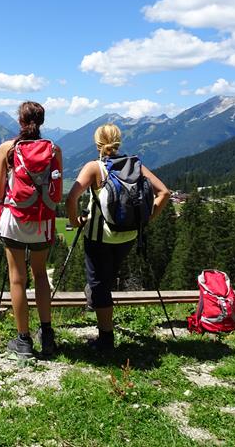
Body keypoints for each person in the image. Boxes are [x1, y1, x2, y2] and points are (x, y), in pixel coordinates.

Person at [66, 123, 170, 351]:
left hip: (99, 236)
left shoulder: (95, 168)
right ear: (119, 141)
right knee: (105, 279)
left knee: (99, 284)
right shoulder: (135, 165)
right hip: (128, 235)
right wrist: (146, 219)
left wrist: (76, 223)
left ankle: (106, 339)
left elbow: (71, 198)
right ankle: (97, 301)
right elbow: (164, 192)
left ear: (97, 144)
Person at [0, 101, 62, 359]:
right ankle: (46, 335)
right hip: (42, 222)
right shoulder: (54, 150)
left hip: (14, 219)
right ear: (41, 122)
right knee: (40, 275)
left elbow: (0, 193)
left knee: (17, 278)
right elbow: (55, 193)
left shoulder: (7, 148)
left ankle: (23, 341)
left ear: (20, 122)